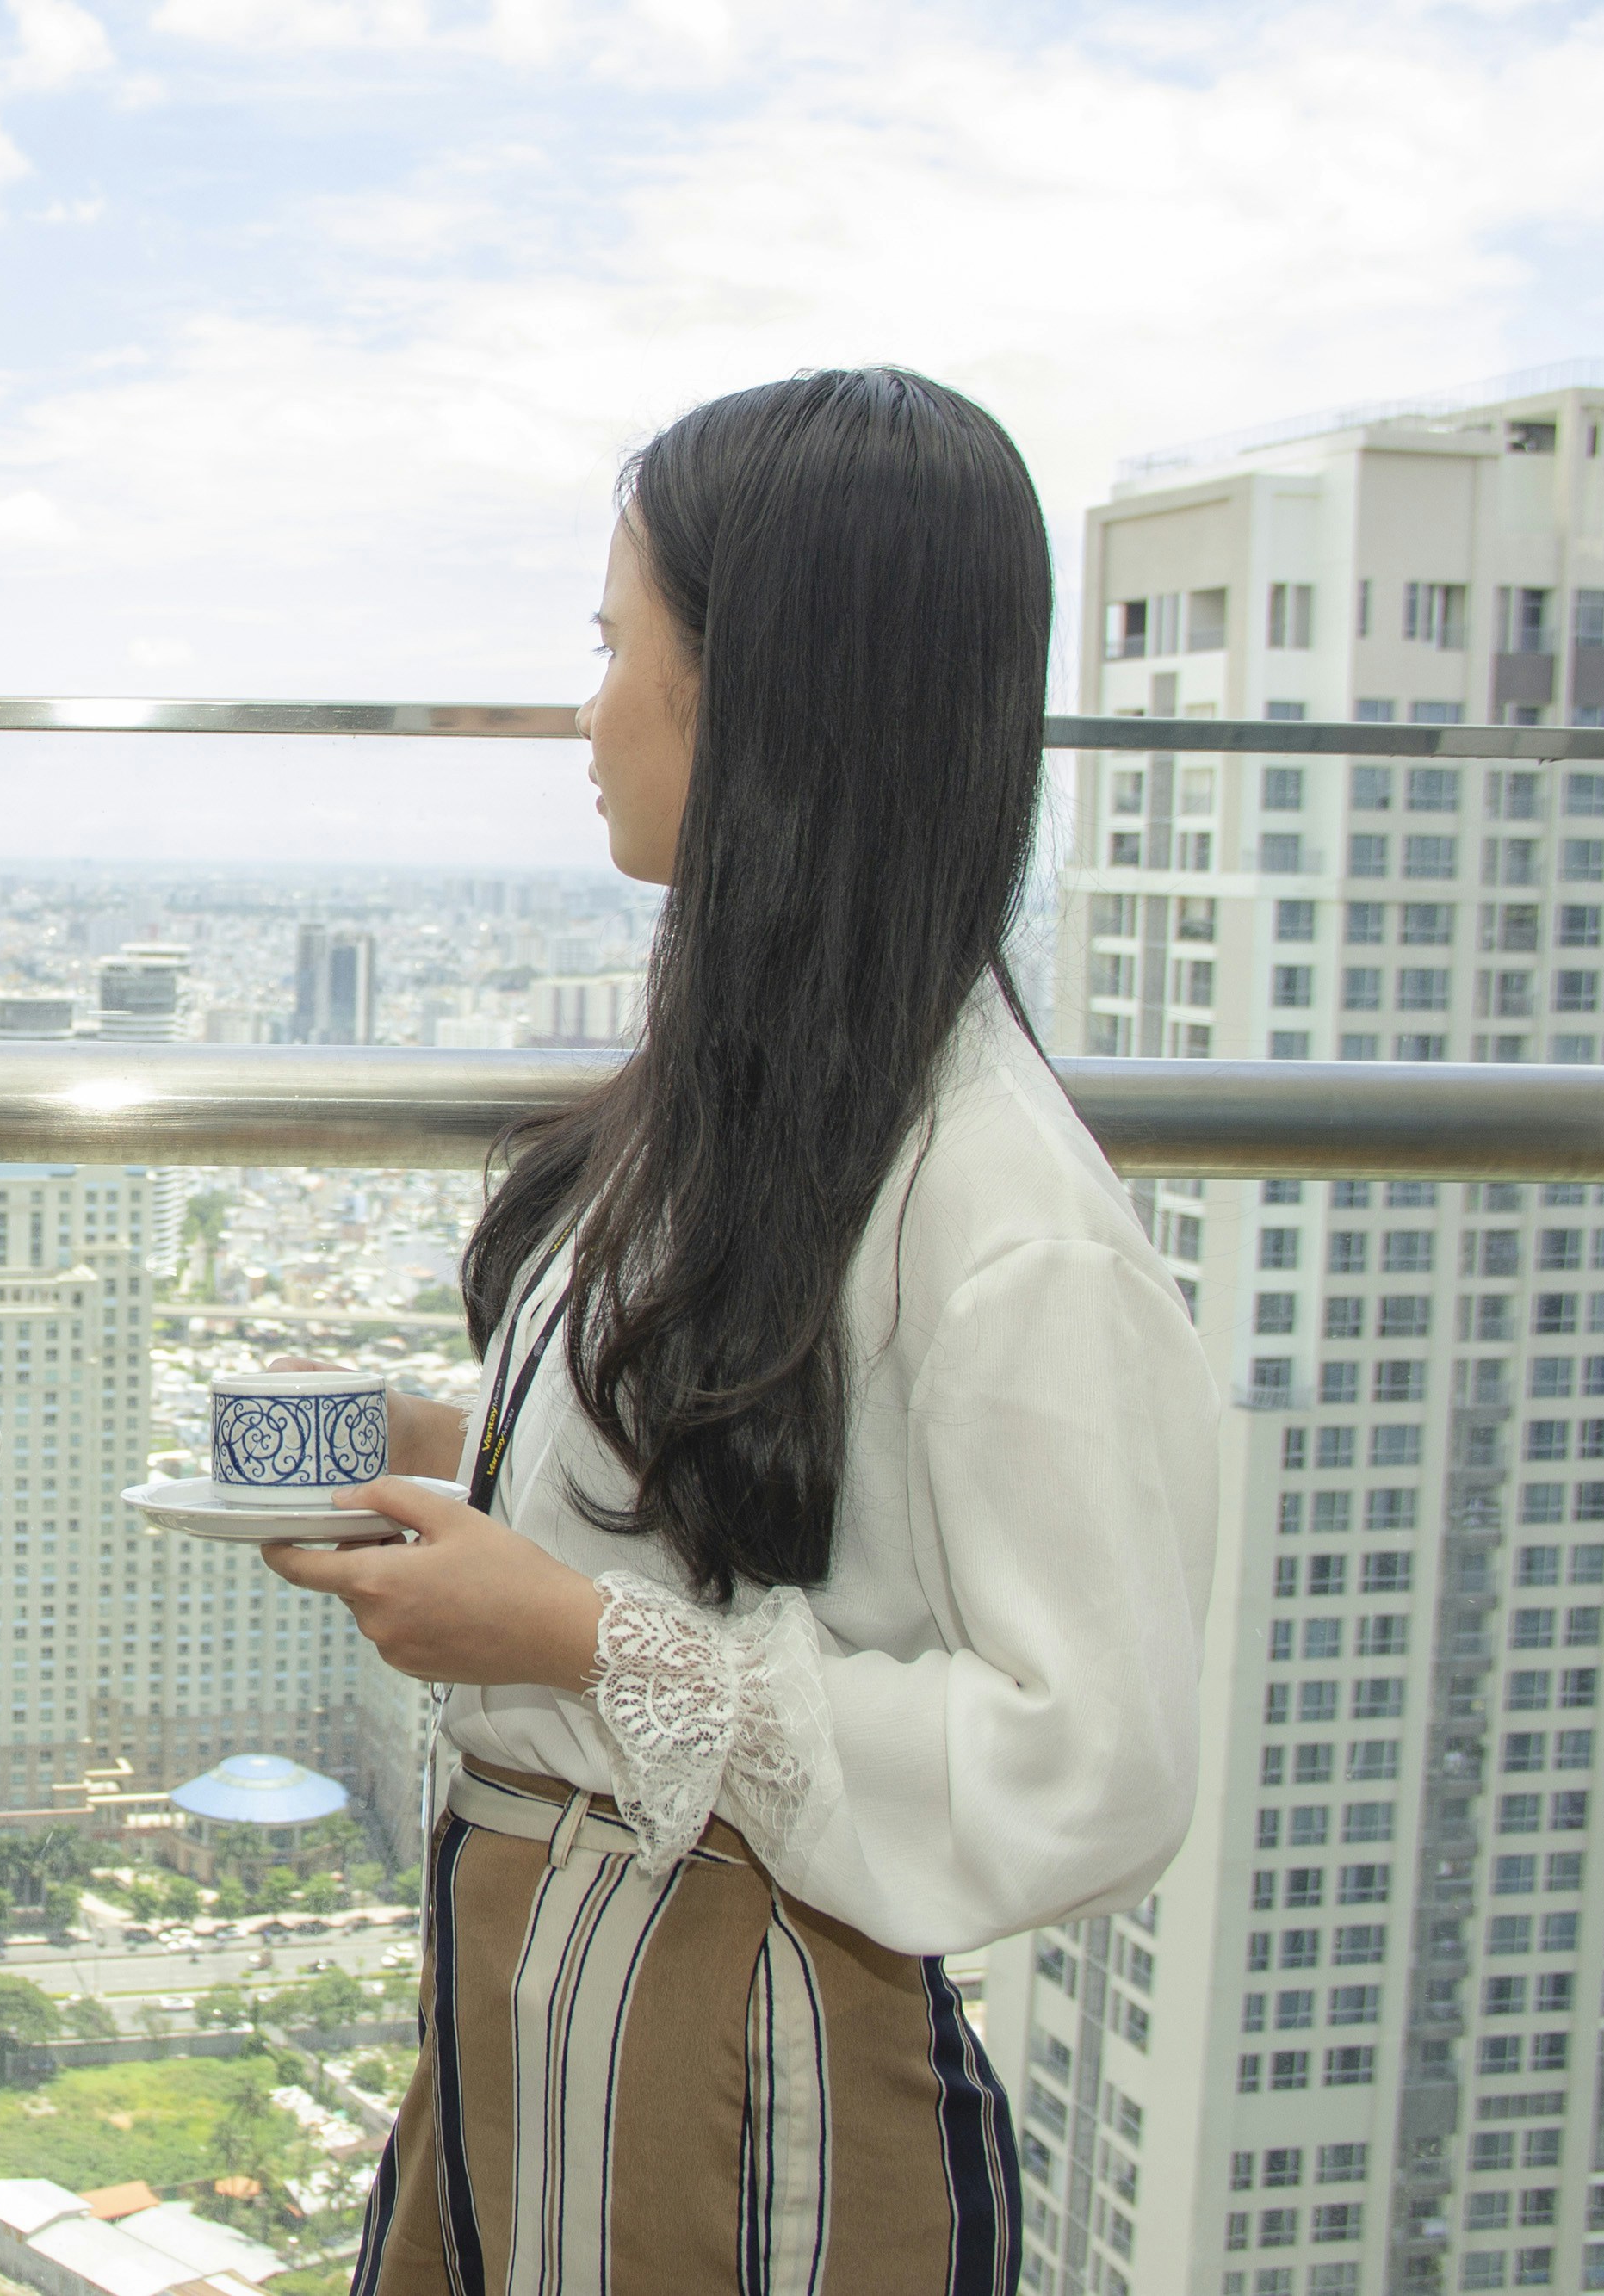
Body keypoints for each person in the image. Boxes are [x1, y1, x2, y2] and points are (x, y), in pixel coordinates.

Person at [264, 369, 1217, 2295]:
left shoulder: (1001, 1213)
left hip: (742, 2077)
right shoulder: (755, 1106)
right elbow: (766, 1487)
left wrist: (564, 1635)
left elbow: (1091, 1756)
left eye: (616, 644)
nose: (585, 708)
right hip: (530, 2014)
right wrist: (448, 1442)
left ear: (756, 692)